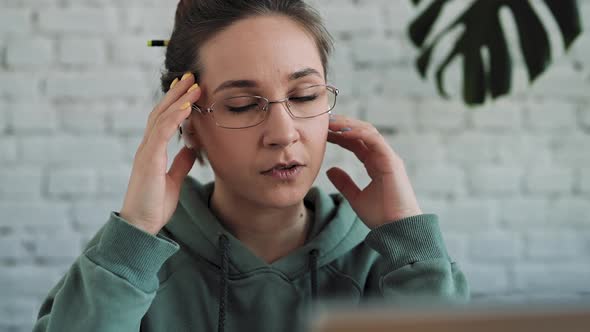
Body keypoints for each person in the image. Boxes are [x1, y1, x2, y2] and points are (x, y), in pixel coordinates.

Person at [33, 1, 468, 331]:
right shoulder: (130, 258)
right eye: (242, 105)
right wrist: (135, 232)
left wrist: (411, 244)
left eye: (303, 96)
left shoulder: (382, 257)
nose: (283, 132)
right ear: (188, 124)